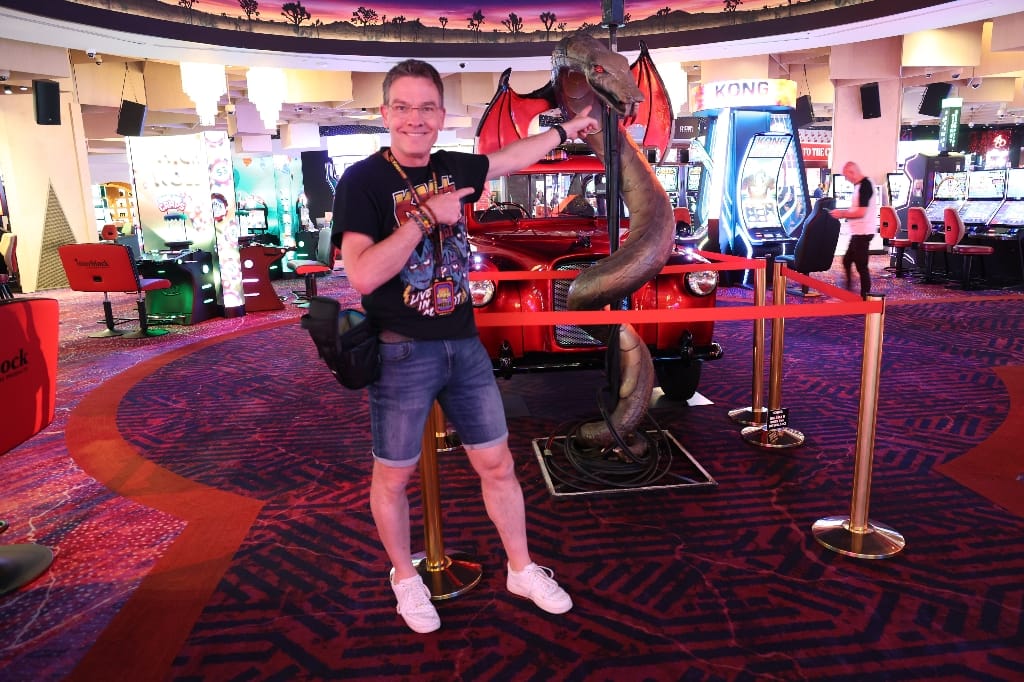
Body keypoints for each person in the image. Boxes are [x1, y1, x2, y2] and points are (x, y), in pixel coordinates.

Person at [332, 58, 599, 634]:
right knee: (393, 477)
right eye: (403, 107)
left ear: (441, 115)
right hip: (401, 350)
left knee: (497, 463)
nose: (415, 119)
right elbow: (363, 275)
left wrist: (565, 132)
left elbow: (509, 158)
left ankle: (521, 568)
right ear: (384, 113)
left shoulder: (452, 166)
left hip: (464, 345)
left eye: (427, 107)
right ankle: (405, 577)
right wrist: (425, 218)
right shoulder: (362, 181)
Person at [830, 161, 877, 299]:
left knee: (861, 266)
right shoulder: (859, 186)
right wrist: (844, 213)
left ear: (852, 172)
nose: (846, 179)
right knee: (847, 261)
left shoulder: (865, 185)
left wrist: (842, 214)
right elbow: (856, 209)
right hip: (857, 231)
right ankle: (849, 289)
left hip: (863, 232)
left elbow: (861, 212)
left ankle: (865, 297)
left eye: (846, 176)